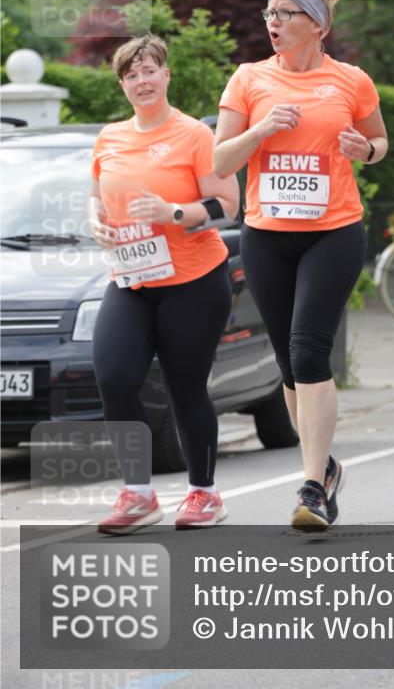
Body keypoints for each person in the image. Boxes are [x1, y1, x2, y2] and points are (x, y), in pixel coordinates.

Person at [213, 0, 387, 529]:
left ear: (318, 24)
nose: (274, 22)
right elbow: (220, 162)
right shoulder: (248, 79)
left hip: (334, 231)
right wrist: (262, 129)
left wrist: (368, 150)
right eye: (270, 12)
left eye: (286, 13)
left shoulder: (351, 81)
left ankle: (311, 487)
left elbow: (378, 142)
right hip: (267, 236)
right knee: (289, 365)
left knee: (310, 351)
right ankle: (325, 466)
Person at [88, 34, 239, 534]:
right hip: (131, 277)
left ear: (166, 75)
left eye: (149, 70)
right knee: (113, 376)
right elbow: (96, 196)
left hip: (193, 279)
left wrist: (173, 212)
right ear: (122, 85)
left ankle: (204, 493)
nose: (141, 81)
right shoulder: (110, 137)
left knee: (184, 385)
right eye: (131, 75)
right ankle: (139, 494)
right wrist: (95, 223)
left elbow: (226, 204)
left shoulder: (194, 134)